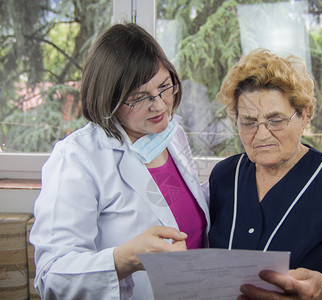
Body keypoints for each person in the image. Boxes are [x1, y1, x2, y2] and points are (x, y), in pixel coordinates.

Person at [29, 23, 210, 300]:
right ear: (108, 98)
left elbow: (179, 207)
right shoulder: (78, 158)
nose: (160, 106)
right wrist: (124, 259)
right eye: (139, 98)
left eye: (164, 87)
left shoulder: (172, 134)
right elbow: (52, 276)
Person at [208, 49, 322, 299]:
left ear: (304, 115)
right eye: (248, 122)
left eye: (276, 120)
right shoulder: (224, 175)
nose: (262, 135)